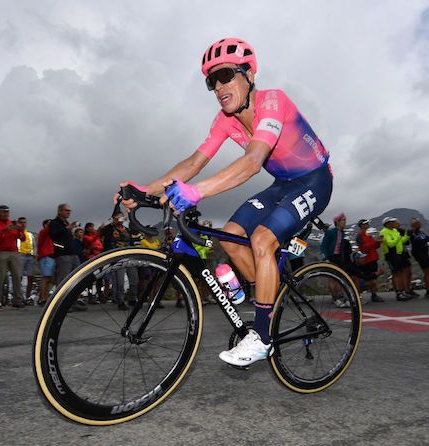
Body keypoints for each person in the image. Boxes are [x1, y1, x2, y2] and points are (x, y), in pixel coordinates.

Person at [120, 37, 333, 367]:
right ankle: (269, 301)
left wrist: (197, 192)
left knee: (261, 239)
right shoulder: (225, 120)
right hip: (283, 184)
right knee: (231, 236)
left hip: (315, 180)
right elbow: (193, 163)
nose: (219, 87)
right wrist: (144, 190)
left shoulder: (273, 102)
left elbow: (252, 161)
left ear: (249, 75)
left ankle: (261, 336)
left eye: (226, 75)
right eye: (211, 80)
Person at [0, 205, 25, 310]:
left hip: (14, 252)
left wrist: (20, 230)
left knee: (17, 276)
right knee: (0, 277)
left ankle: (17, 300)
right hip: (1, 252)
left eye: (7, 212)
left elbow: (23, 238)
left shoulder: (13, 224)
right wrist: (4, 231)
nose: (5, 214)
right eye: (3, 212)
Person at [50, 204, 86, 311]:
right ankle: (60, 305)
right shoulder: (54, 223)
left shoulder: (66, 223)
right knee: (63, 280)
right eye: (66, 210)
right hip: (63, 254)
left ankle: (72, 302)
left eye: (69, 211)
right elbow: (54, 235)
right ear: (59, 211)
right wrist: (67, 228)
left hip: (72, 254)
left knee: (76, 279)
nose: (68, 212)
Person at [102, 211, 132, 310]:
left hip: (122, 257)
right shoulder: (109, 228)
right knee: (113, 279)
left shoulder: (126, 230)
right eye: (118, 217)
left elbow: (130, 242)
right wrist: (112, 224)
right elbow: (104, 235)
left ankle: (121, 300)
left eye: (121, 217)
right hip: (111, 256)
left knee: (120, 280)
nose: (120, 219)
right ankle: (117, 298)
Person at [379, 217, 411, 301]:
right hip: (391, 254)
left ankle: (402, 291)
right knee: (396, 273)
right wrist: (400, 236)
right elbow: (390, 244)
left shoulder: (394, 230)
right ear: (387, 223)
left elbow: (401, 241)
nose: (394, 223)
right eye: (392, 222)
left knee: (400, 272)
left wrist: (407, 235)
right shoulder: (384, 232)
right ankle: (398, 293)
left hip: (398, 254)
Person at [407, 218, 429, 298]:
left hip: (425, 253)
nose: (419, 224)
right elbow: (416, 241)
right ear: (413, 225)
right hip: (419, 254)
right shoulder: (411, 232)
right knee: (427, 271)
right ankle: (428, 292)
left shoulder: (421, 232)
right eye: (417, 223)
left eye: (419, 222)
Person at [355, 219, 383, 302]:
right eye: (365, 223)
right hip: (367, 259)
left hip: (373, 258)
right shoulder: (360, 236)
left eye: (367, 223)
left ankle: (374, 294)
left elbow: (375, 246)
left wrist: (378, 242)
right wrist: (375, 243)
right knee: (370, 278)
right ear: (361, 225)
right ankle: (358, 293)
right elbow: (363, 247)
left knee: (374, 277)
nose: (367, 224)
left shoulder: (368, 235)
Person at [17, 217, 37, 303]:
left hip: (30, 256)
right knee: (19, 276)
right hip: (20, 255)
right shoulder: (17, 233)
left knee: (30, 276)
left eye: (24, 222)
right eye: (21, 222)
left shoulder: (30, 234)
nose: (23, 224)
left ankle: (27, 296)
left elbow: (34, 245)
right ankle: (19, 295)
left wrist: (35, 254)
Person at [37, 219, 55, 306]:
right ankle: (44, 299)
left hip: (51, 256)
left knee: (48, 279)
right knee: (46, 278)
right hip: (46, 256)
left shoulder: (52, 235)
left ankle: (42, 298)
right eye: (49, 224)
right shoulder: (43, 232)